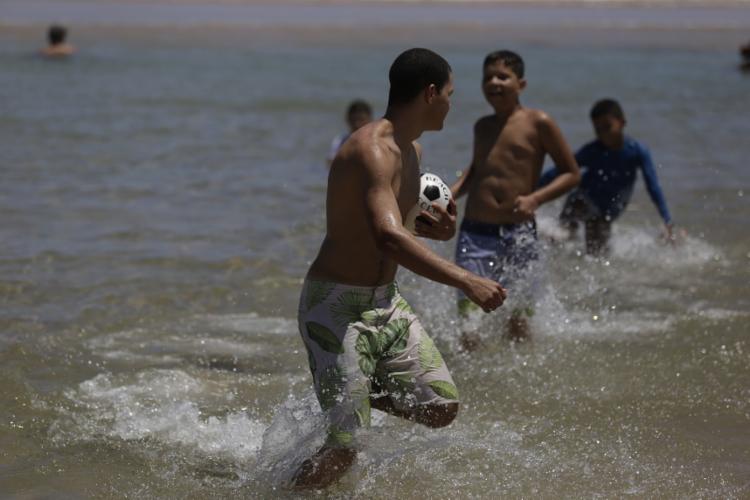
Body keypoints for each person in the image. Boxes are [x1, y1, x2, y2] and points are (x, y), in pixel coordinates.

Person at [294, 48, 506, 490]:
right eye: (449, 93)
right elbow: (387, 237)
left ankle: (355, 394)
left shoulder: (412, 150)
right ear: (430, 93)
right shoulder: (372, 150)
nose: (452, 101)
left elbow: (401, 227)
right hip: (336, 308)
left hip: (385, 305)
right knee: (344, 449)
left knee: (440, 407)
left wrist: (440, 230)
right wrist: (466, 279)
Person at [450, 50, 580, 344]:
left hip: (519, 232)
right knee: (469, 325)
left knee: (519, 322)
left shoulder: (539, 122)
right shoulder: (481, 127)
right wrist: (449, 196)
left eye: (502, 76)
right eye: (487, 78)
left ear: (521, 84)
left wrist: (536, 199)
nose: (494, 82)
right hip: (474, 232)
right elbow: (476, 172)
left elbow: (571, 173)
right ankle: (473, 381)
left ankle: (518, 381)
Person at [539, 98, 674, 255]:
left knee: (596, 255)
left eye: (607, 127)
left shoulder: (638, 151)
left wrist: (667, 219)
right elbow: (561, 170)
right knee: (569, 224)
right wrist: (534, 190)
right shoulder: (592, 151)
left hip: (609, 211)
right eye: (597, 130)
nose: (603, 134)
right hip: (581, 201)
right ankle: (557, 238)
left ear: (622, 123)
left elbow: (653, 186)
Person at [326, 99, 373, 166]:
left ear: (370, 120)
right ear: (347, 120)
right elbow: (330, 162)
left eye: (361, 119)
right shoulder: (340, 141)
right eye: (353, 120)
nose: (357, 124)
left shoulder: (377, 142)